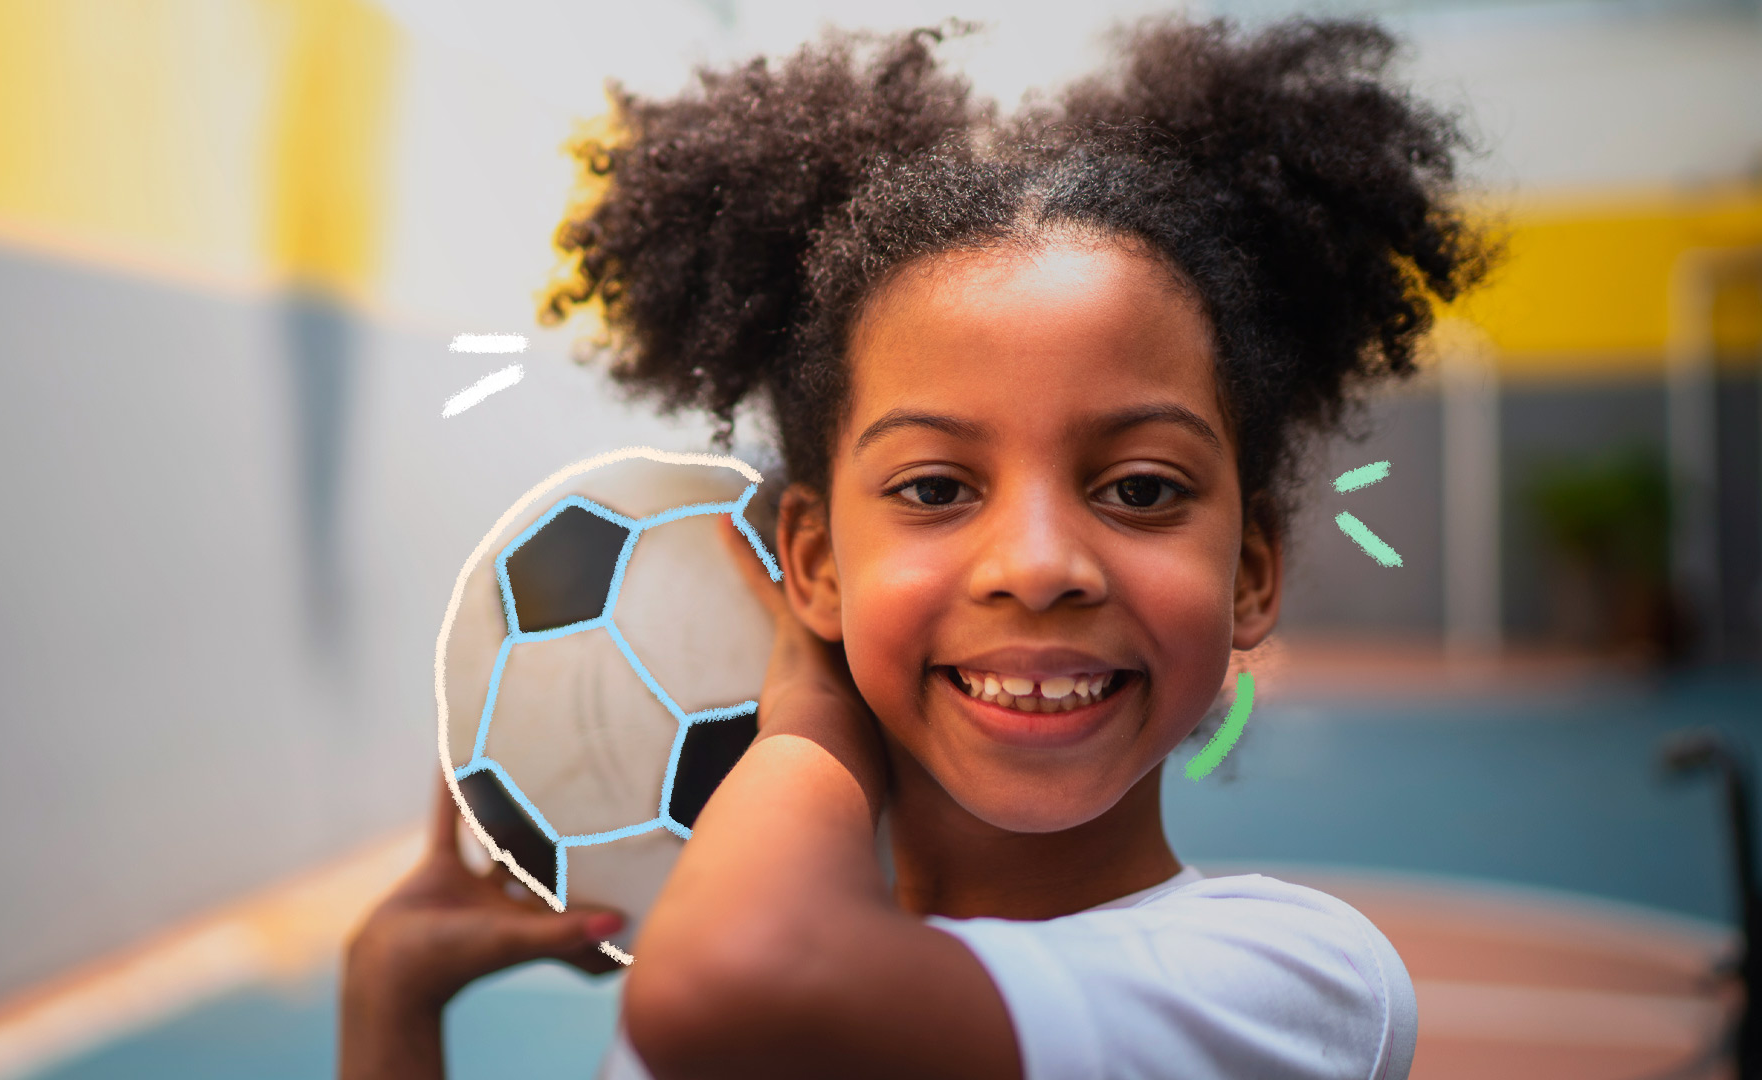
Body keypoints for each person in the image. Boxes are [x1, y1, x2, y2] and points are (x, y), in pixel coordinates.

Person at [342, 16, 1492, 1080]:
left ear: (1249, 570)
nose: (1039, 564)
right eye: (937, 487)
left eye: (1141, 488)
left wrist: (812, 725)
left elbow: (751, 982)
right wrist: (388, 1007)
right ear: (816, 565)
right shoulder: (749, 940)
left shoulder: (1294, 982)